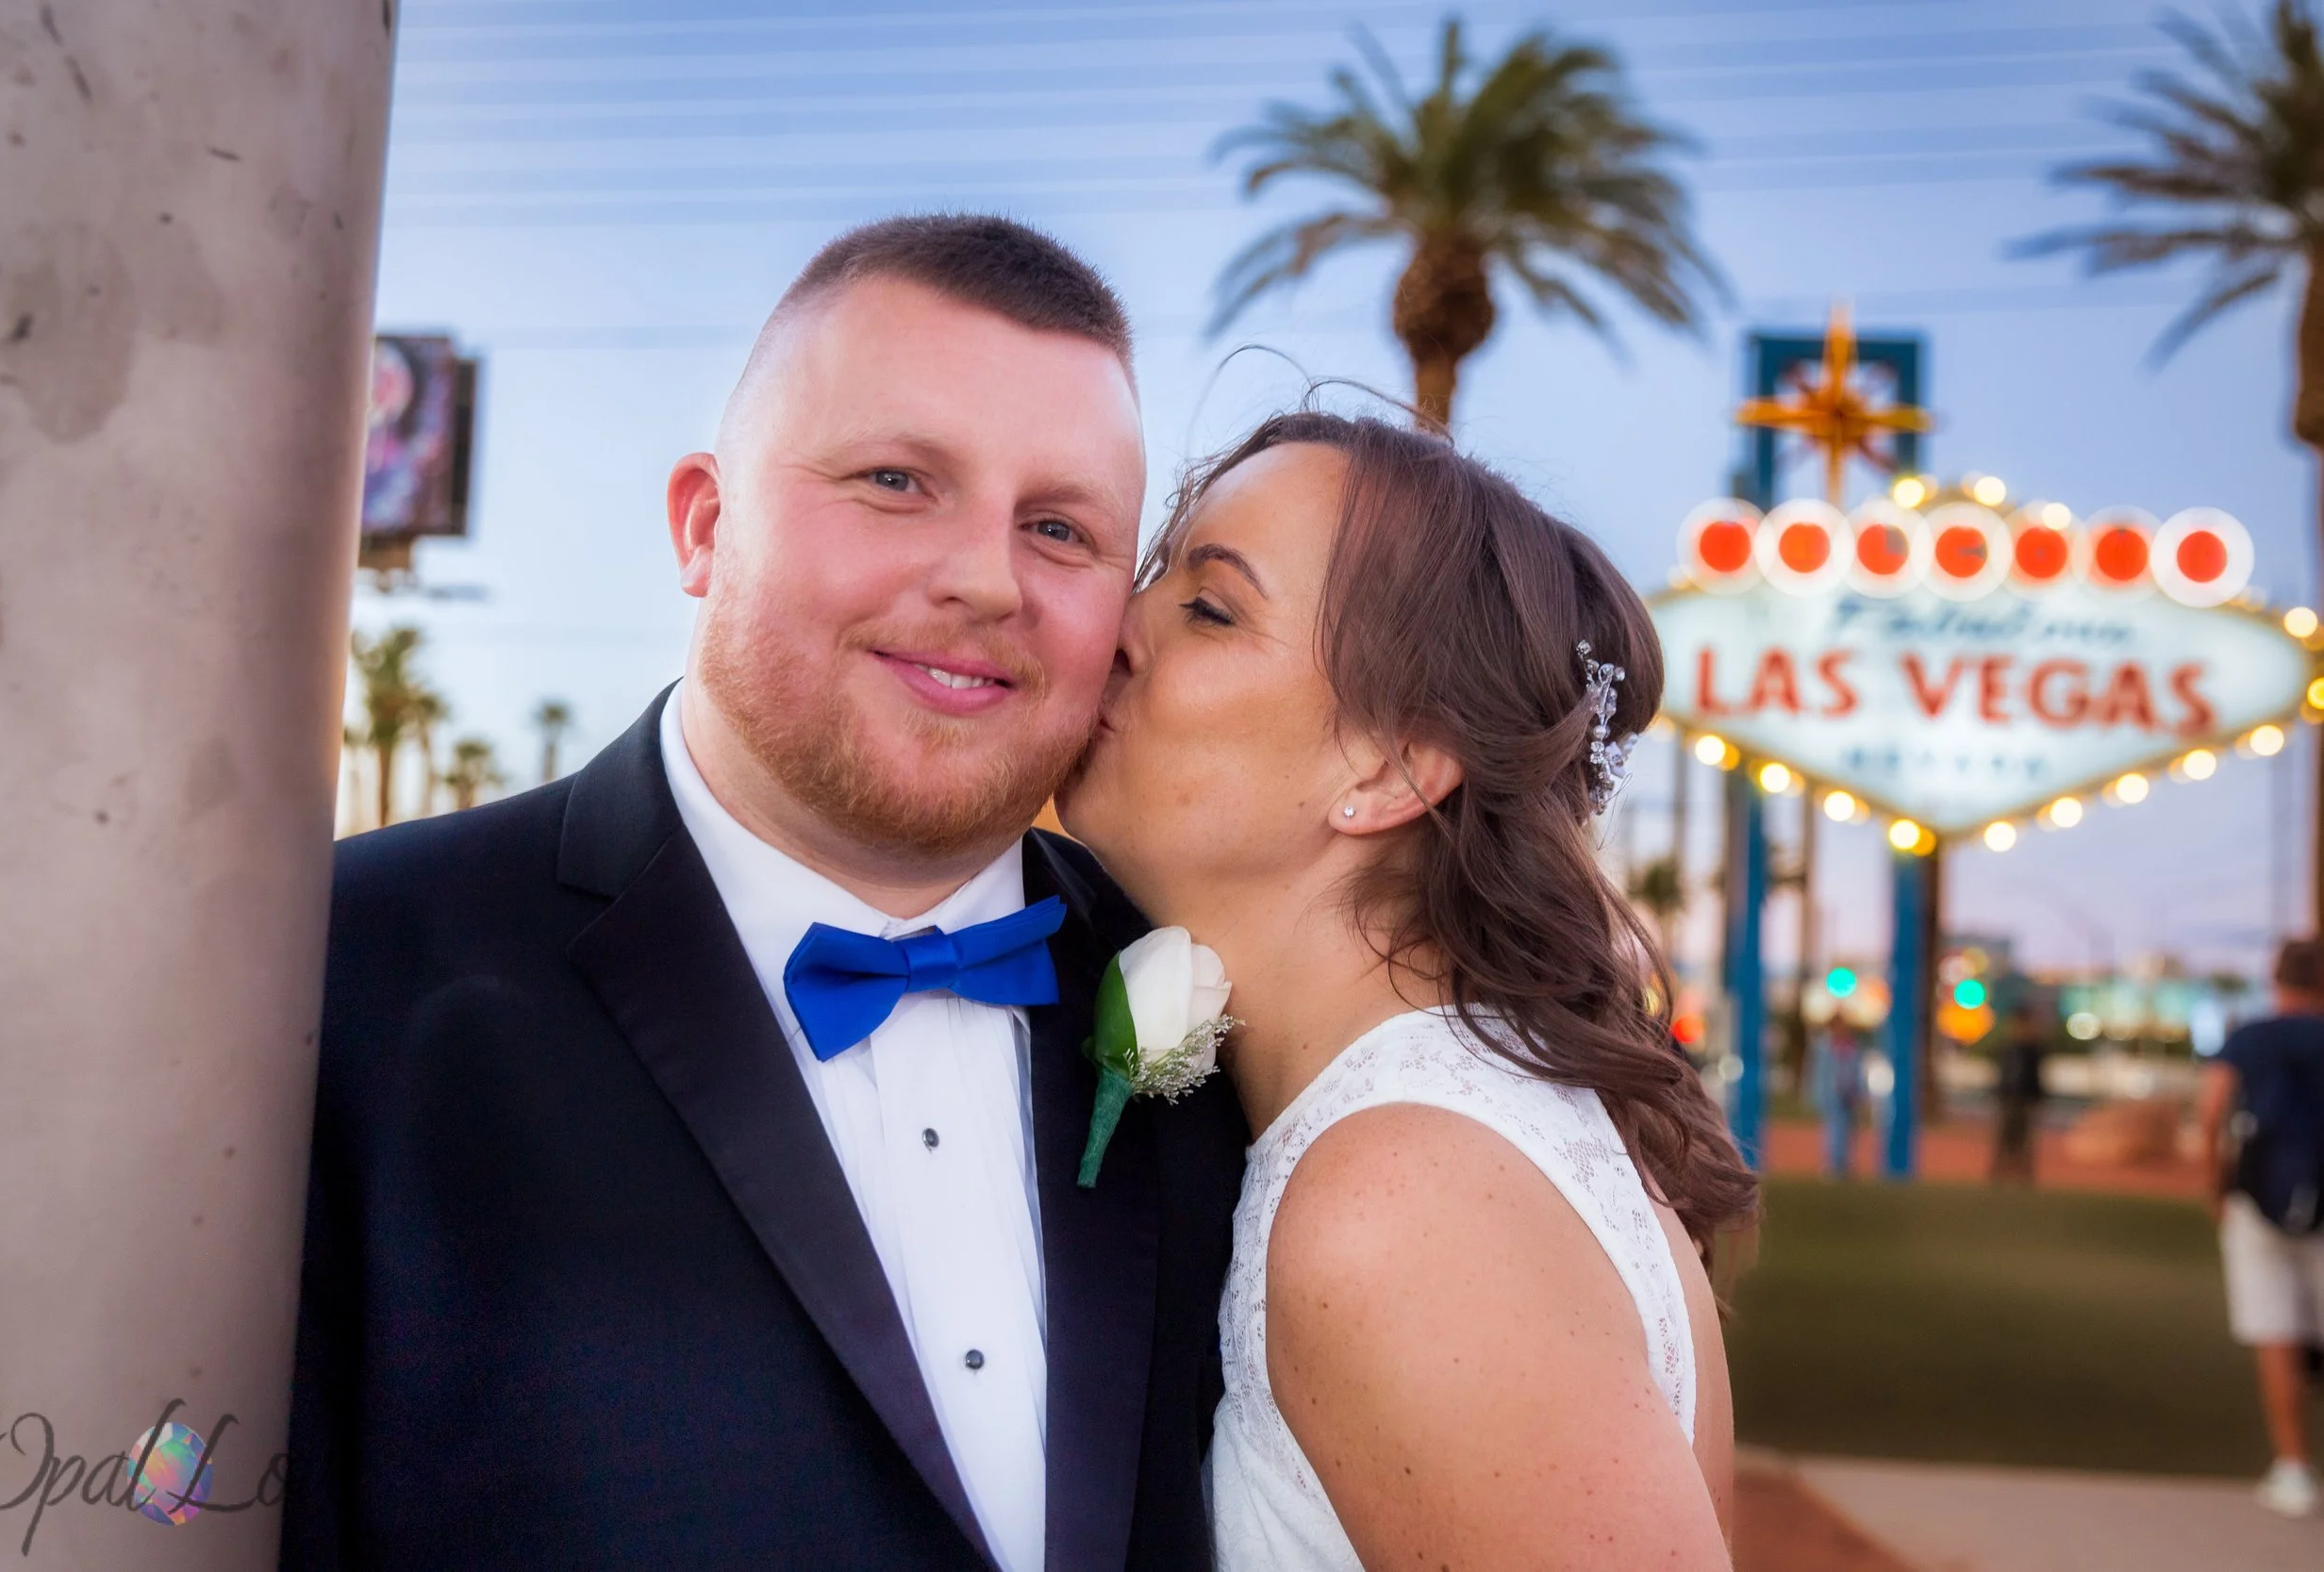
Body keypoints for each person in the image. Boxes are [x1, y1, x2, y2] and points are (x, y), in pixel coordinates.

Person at [283, 216, 1250, 1571]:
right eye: (897, 481)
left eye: (1058, 526)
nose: (987, 578)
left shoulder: (1222, 996)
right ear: (705, 522)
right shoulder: (340, 972)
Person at [1058, 411, 1754, 1569]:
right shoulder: (1450, 1130)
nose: (1114, 625)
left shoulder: (1406, 1204)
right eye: (1154, 572)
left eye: (1211, 606)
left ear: (1390, 768)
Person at [2198, 936, 2324, 1519]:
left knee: (2276, 1332)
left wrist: (2215, 1187)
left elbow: (2211, 1112)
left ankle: (2293, 1467)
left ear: (2277, 980)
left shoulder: (2252, 1038)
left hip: (2258, 1201)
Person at [1989, 1001, 2047, 1183]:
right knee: (2004, 1138)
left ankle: (2023, 1176)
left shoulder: (2033, 1049)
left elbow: (2036, 1076)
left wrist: (2037, 1098)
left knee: (2025, 1140)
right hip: (2008, 1098)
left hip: (2025, 1099)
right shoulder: (2008, 1047)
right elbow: (2001, 1073)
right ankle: (2000, 1174)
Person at [1812, 1018, 1868, 1178]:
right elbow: (1820, 1074)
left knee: (1848, 1132)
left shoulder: (1852, 1047)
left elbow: (1858, 1071)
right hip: (1833, 1097)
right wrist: (1820, 1095)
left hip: (1849, 1097)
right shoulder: (1825, 1047)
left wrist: (1859, 1092)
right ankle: (1832, 1165)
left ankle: (1844, 1164)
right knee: (1833, 1131)